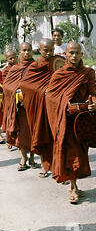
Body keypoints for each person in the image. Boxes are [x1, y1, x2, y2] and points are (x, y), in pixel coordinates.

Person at [45, 41, 96, 204]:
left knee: (81, 152)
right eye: (71, 53)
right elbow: (51, 97)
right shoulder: (59, 74)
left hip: (82, 120)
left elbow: (92, 92)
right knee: (71, 153)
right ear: (65, 55)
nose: (74, 56)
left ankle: (75, 184)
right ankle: (73, 187)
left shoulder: (88, 73)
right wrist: (65, 106)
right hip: (66, 120)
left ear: (82, 54)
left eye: (77, 53)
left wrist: (94, 102)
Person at [19, 38, 56, 178]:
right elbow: (25, 85)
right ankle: (45, 166)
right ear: (39, 50)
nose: (48, 53)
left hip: (55, 107)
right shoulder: (35, 67)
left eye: (51, 50)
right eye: (45, 50)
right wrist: (43, 90)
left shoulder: (59, 63)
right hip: (40, 106)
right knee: (42, 135)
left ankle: (58, 168)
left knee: (56, 137)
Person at [2, 43, 37, 170]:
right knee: (22, 134)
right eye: (24, 50)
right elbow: (7, 87)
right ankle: (24, 157)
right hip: (20, 108)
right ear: (20, 52)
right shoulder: (15, 68)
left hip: (34, 107)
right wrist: (17, 92)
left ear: (32, 51)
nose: (27, 53)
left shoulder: (37, 67)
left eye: (29, 50)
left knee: (34, 133)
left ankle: (32, 158)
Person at [1, 50, 18, 148]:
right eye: (10, 58)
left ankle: (17, 139)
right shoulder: (6, 71)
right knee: (8, 117)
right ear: (7, 60)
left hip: (18, 96)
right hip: (8, 97)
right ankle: (8, 139)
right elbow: (6, 84)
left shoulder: (20, 68)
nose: (13, 59)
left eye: (14, 57)